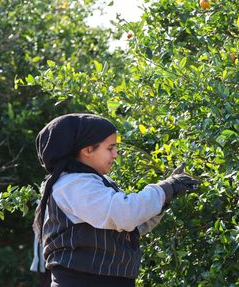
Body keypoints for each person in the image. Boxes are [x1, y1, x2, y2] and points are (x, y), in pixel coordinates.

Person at [32, 113, 199, 287]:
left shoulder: (92, 182)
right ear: (87, 150)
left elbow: (130, 227)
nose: (115, 154)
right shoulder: (73, 184)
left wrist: (165, 199)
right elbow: (124, 214)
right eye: (110, 148)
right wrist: (166, 189)